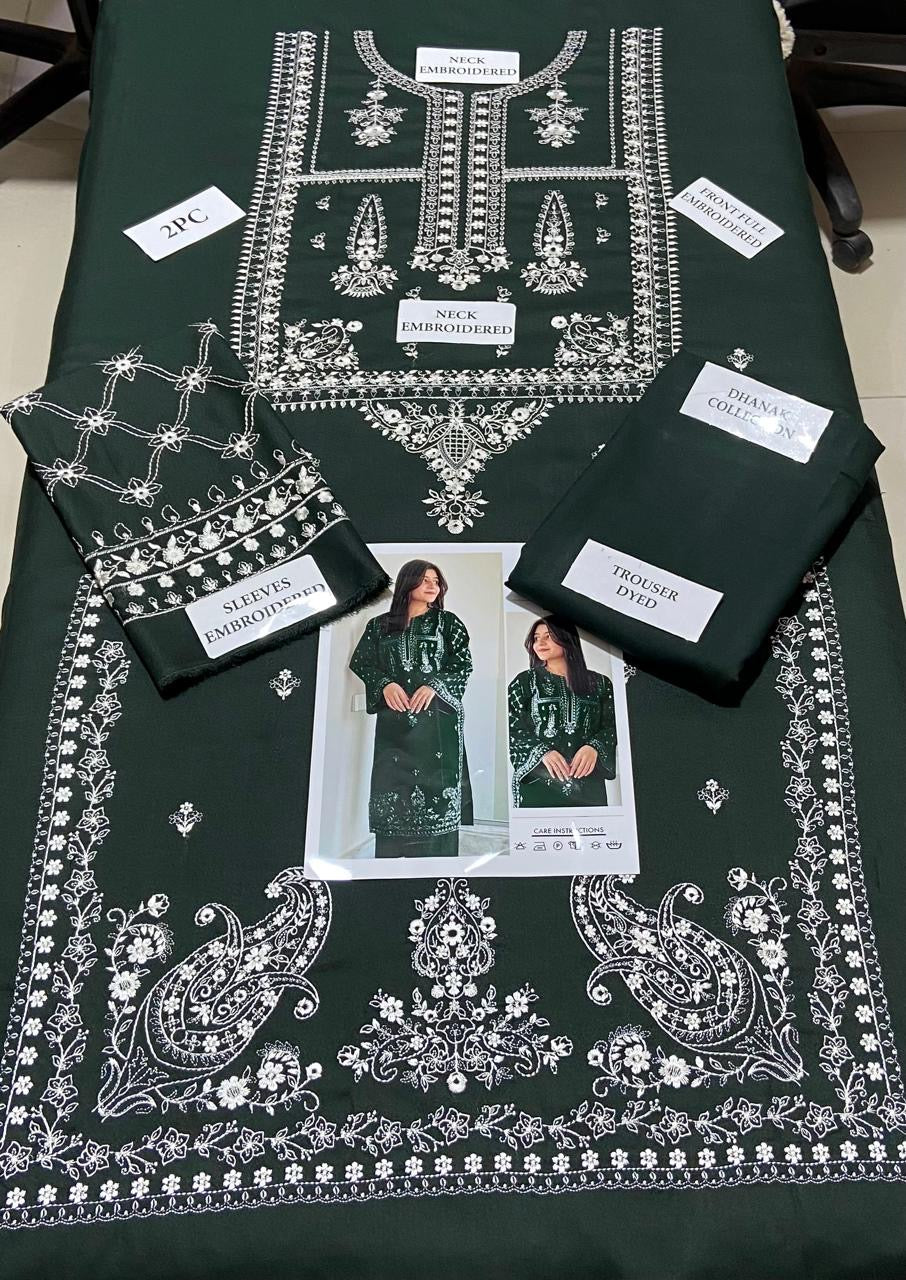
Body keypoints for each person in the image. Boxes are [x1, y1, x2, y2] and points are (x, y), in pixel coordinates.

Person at [350, 560, 473, 857]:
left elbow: (463, 664)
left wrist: (434, 686)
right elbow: (362, 662)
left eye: (437, 581)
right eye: (425, 580)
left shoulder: (448, 623)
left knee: (438, 788)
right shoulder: (379, 625)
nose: (433, 586)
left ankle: (439, 857)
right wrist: (385, 684)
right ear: (408, 582)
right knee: (394, 787)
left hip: (437, 724)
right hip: (394, 723)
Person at [508, 615, 616, 808]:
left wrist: (594, 747)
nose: (540, 643)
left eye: (548, 636)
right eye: (536, 638)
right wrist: (542, 752)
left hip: (588, 786)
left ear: (566, 639)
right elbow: (512, 727)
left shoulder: (600, 684)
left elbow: (613, 725)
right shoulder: (524, 682)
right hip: (540, 783)